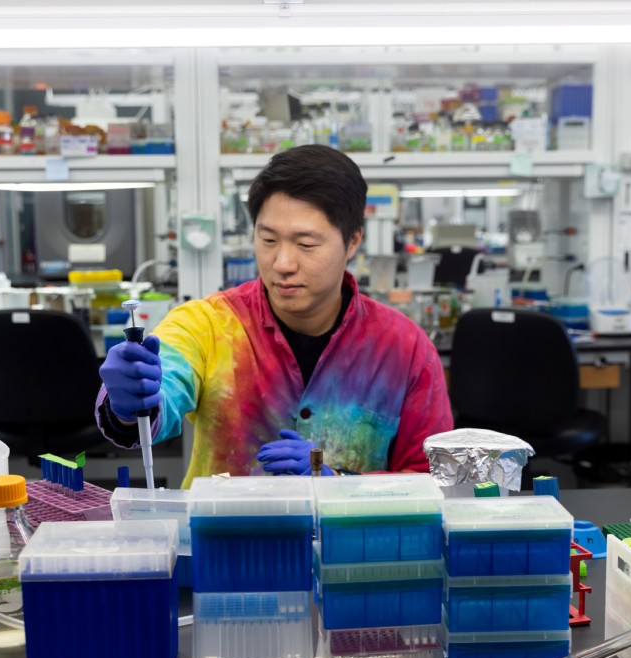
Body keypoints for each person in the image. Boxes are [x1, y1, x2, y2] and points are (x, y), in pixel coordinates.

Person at [96, 144, 452, 486]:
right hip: (224, 538)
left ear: (353, 241)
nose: (282, 264)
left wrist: (340, 484)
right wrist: (129, 405)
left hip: (347, 545)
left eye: (306, 244)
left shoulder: (404, 348)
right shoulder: (208, 324)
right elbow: (167, 385)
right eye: (268, 240)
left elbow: (432, 477)